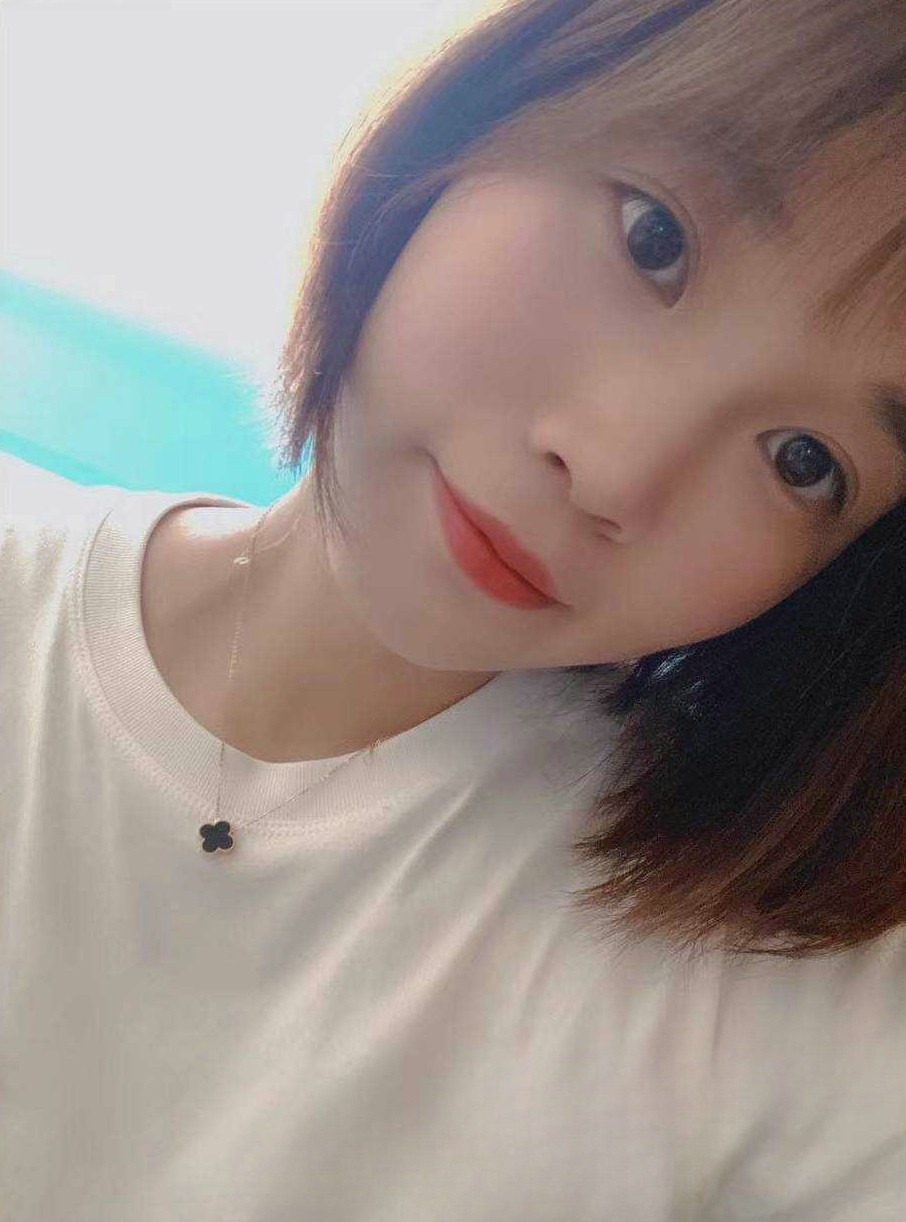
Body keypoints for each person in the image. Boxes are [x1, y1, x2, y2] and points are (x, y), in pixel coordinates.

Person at [1, 0, 904, 1217]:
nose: (616, 467)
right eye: (653, 238)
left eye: (805, 461)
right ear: (496, 104)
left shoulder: (770, 992)